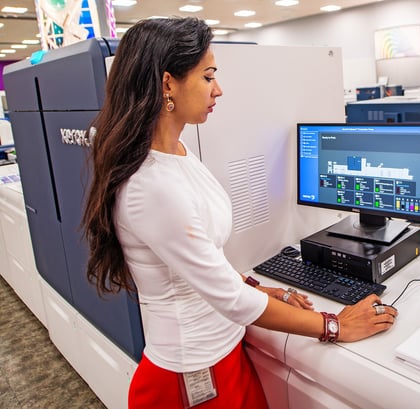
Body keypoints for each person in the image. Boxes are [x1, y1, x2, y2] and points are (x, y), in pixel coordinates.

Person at [81, 17, 398, 409]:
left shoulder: (175, 152)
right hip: (191, 378)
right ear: (167, 84)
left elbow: (205, 263)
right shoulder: (151, 186)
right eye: (207, 77)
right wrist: (335, 325)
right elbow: (230, 300)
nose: (218, 89)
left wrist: (261, 288)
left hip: (225, 354)